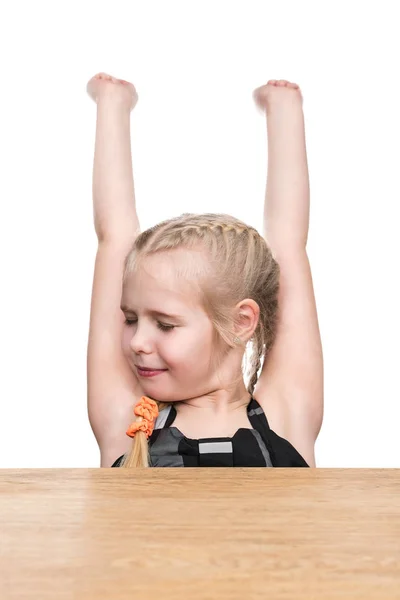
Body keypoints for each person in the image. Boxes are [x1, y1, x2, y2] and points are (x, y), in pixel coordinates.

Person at [86, 73, 323, 468]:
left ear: (242, 321)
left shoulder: (286, 414)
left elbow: (289, 247)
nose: (136, 341)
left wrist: (284, 111)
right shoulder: (126, 420)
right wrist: (112, 104)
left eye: (164, 324)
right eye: (130, 318)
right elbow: (114, 240)